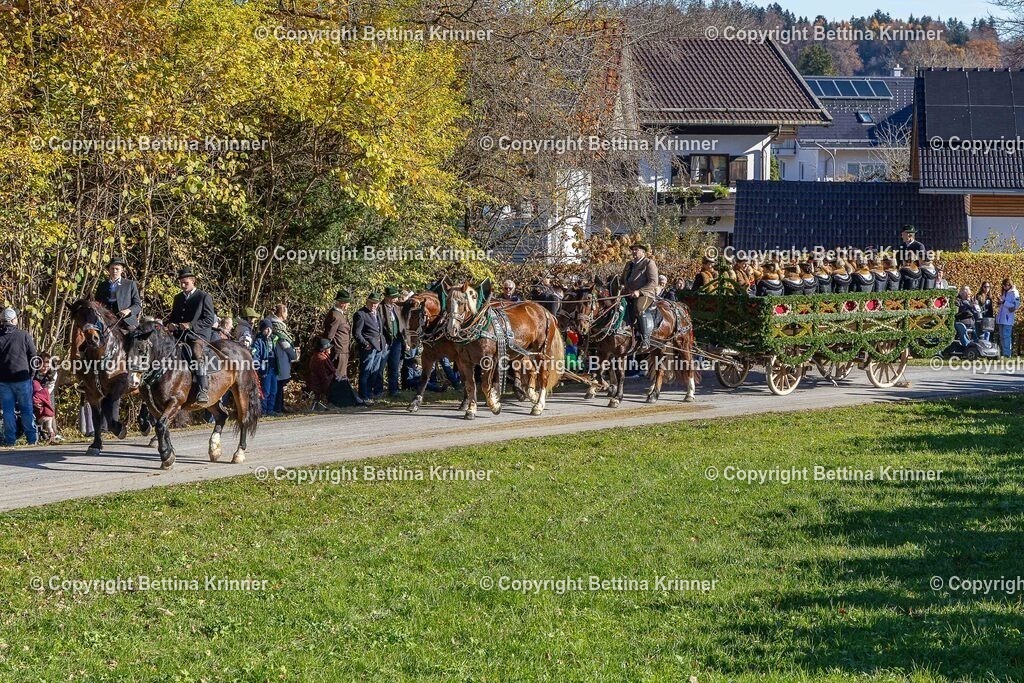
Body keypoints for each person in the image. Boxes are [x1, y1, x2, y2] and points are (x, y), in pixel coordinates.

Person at [166, 267, 217, 403]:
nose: (183, 285)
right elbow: (173, 317)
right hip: (179, 335)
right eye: (181, 283)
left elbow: (209, 319)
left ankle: (203, 389)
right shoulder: (178, 298)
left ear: (193, 281)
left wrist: (191, 325)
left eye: (185, 283)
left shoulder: (204, 297)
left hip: (198, 336)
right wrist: (170, 324)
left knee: (196, 353)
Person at [0, 308, 38, 447]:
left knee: (8, 411)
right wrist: (32, 374)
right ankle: (31, 439)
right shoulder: (24, 335)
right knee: (26, 409)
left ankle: (10, 440)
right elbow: (33, 356)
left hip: (4, 380)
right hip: (22, 378)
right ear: (14, 320)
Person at [321, 289, 360, 406]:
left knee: (342, 376)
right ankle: (336, 400)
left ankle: (342, 399)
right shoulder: (335, 316)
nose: (348, 305)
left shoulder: (339, 314)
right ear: (342, 303)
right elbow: (329, 335)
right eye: (347, 303)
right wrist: (327, 348)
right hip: (338, 350)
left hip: (343, 349)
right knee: (338, 376)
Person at [620, 243, 659, 350]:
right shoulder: (629, 264)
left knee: (639, 308)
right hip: (628, 293)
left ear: (643, 252)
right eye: (632, 250)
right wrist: (621, 286)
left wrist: (639, 291)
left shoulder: (649, 263)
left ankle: (645, 339)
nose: (633, 251)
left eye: (636, 250)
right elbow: (622, 279)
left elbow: (654, 282)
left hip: (646, 294)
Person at [353, 293, 386, 404]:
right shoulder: (360, 314)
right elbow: (357, 333)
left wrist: (383, 343)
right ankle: (363, 395)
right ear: (367, 301)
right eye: (371, 302)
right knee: (365, 371)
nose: (373, 305)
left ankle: (369, 393)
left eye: (375, 303)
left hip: (379, 347)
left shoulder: (377, 313)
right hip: (368, 348)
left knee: (375, 372)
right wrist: (365, 344)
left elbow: (380, 330)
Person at [95, 256, 143, 329]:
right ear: (109, 270)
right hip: (106, 321)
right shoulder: (102, 285)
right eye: (112, 269)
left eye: (117, 269)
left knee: (135, 338)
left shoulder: (130, 284)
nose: (114, 271)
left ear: (122, 270)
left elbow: (138, 305)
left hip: (126, 321)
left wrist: (128, 311)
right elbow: (97, 304)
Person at [268, 304, 298, 414]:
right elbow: (285, 344)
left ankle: (280, 405)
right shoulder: (277, 326)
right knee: (278, 385)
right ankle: (277, 407)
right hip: (279, 358)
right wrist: (294, 355)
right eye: (286, 312)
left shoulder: (272, 324)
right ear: (281, 313)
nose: (287, 314)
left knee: (279, 385)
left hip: (279, 358)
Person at [381, 286, 404, 398]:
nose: (395, 299)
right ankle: (378, 390)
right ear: (387, 297)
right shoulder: (380, 307)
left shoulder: (396, 307)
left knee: (394, 367)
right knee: (380, 367)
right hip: (385, 341)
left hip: (397, 341)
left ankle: (393, 390)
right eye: (393, 297)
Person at [251, 319, 278, 416]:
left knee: (273, 390)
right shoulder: (259, 341)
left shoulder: (274, 339)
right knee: (265, 391)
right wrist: (257, 366)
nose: (269, 331)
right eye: (266, 329)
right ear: (262, 330)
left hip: (273, 368)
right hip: (265, 370)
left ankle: (270, 410)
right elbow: (255, 354)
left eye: (270, 328)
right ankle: (263, 410)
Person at [34, 354, 62, 443]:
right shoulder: (33, 372)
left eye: (47, 367)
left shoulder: (53, 372)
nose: (45, 369)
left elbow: (51, 386)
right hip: (35, 391)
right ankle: (41, 430)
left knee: (49, 407)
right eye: (43, 367)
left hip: (48, 390)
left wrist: (43, 398)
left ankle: (51, 430)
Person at [307, 338, 336, 410]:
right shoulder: (320, 359)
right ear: (324, 349)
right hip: (320, 383)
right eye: (328, 348)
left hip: (319, 381)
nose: (330, 350)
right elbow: (323, 376)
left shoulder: (319, 356)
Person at [997, 278, 1019, 357]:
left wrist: (1004, 302)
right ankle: (1003, 353)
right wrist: (1000, 302)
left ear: (1009, 285)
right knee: (1002, 336)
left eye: (1005, 285)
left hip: (1008, 319)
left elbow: (1016, 305)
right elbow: (1002, 304)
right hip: (1001, 318)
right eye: (1003, 286)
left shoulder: (1014, 293)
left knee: (1006, 336)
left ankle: (1007, 354)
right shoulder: (1004, 293)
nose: (1003, 287)